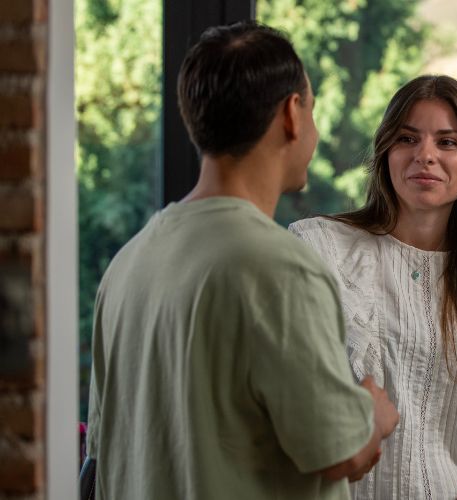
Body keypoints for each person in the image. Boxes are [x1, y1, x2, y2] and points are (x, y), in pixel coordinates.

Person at [85, 21, 398, 500]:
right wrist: (373, 416)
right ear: (292, 114)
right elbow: (342, 453)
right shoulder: (280, 269)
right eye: (311, 108)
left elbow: (105, 450)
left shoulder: (128, 263)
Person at [290, 74, 457, 499]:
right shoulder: (320, 249)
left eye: (447, 142)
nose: (425, 155)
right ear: (385, 151)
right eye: (407, 139)